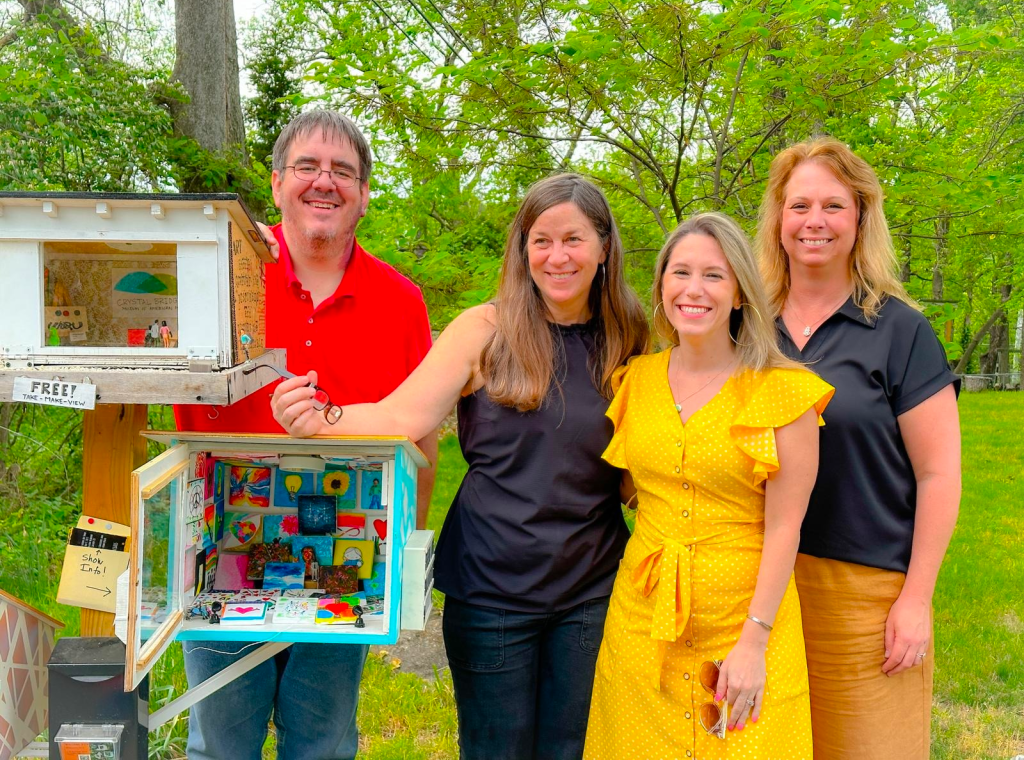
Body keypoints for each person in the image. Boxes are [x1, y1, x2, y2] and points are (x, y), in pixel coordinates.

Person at [272, 173, 649, 759]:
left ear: (604, 246)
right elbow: (403, 414)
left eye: (573, 239)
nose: (557, 256)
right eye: (540, 240)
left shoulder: (631, 337)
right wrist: (322, 419)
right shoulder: (486, 330)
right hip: (491, 588)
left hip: (591, 590)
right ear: (523, 250)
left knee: (575, 749)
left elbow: (641, 464)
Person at [173, 109, 438, 760]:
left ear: (364, 194)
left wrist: (404, 565)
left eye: (343, 171)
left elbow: (423, 444)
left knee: (321, 745)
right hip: (220, 559)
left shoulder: (400, 302)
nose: (325, 182)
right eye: (308, 167)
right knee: (221, 748)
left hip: (345, 565)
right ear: (276, 182)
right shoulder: (220, 272)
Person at [584, 213, 833, 760]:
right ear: (661, 287)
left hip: (743, 621)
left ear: (741, 292)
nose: (694, 290)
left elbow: (786, 525)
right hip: (644, 620)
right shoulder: (636, 381)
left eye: (714, 276)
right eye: (680, 273)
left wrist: (754, 641)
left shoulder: (781, 393)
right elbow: (635, 490)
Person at [755, 137, 961, 759]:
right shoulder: (745, 327)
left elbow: (939, 474)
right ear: (778, 220)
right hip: (758, 588)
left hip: (865, 593)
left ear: (861, 217)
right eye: (799, 206)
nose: (814, 222)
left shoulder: (900, 330)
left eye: (833, 206)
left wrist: (915, 599)